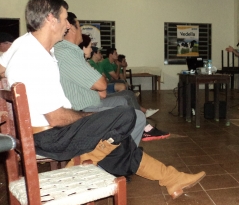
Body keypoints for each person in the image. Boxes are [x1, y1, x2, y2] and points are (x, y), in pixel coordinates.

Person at [0, 0, 205, 199]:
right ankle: (80, 167)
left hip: (44, 130)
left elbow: (1, 68)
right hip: (50, 136)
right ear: (50, 20)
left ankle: (171, 178)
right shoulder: (35, 59)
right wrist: (89, 118)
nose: (67, 25)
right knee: (125, 115)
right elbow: (58, 118)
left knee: (115, 140)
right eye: (64, 19)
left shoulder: (24, 43)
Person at [55, 11, 168, 142]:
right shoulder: (67, 53)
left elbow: (103, 82)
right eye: (79, 26)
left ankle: (130, 145)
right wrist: (100, 82)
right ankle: (125, 150)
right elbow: (102, 85)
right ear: (71, 28)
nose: (81, 30)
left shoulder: (71, 52)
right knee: (136, 115)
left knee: (124, 99)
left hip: (91, 100)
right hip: (84, 107)